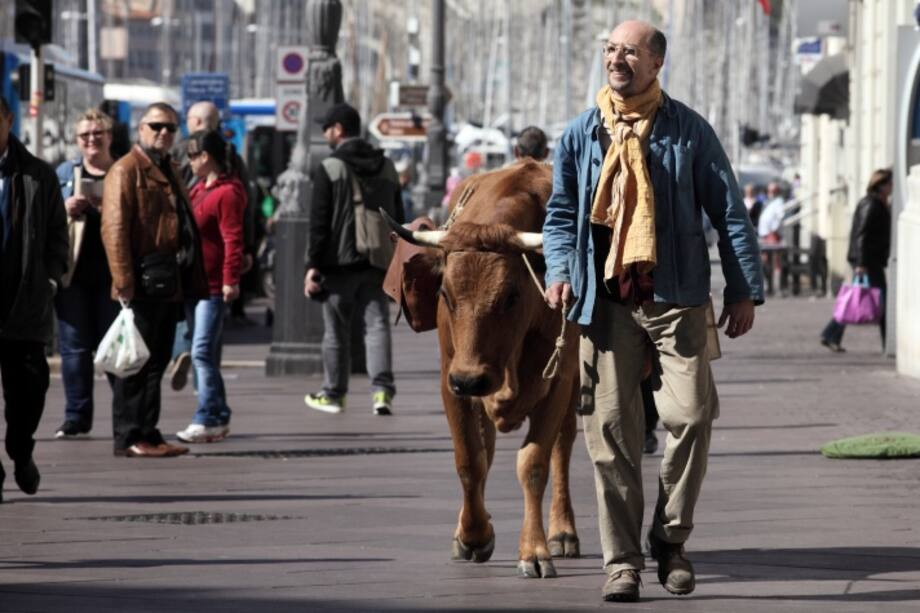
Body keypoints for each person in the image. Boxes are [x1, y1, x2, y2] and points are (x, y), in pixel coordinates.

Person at [542, 21, 763, 602]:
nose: (617, 60)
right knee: (610, 435)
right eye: (610, 50)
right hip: (607, 303)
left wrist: (744, 289)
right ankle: (622, 563)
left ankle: (670, 539)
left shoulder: (689, 131)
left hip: (678, 300)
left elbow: (730, 213)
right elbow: (562, 213)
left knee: (691, 417)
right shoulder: (582, 133)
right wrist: (560, 272)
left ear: (656, 63)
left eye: (629, 52)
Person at [101, 102, 207, 458]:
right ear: (141, 129)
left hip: (167, 278)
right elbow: (114, 230)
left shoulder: (169, 168)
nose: (164, 133)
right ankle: (130, 435)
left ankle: (148, 431)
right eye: (157, 126)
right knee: (135, 361)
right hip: (141, 280)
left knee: (157, 359)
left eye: (171, 128)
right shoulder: (126, 170)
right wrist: (124, 283)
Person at [303, 103, 403, 416]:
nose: (325, 133)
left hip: (338, 262)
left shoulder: (330, 167)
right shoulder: (386, 166)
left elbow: (319, 223)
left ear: (338, 129)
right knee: (377, 327)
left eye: (327, 127)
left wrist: (313, 266)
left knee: (336, 331)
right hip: (376, 261)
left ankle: (333, 394)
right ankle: (382, 393)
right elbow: (398, 217)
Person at [0, 95, 68, 501]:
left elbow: (58, 235)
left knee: (28, 392)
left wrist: (52, 281)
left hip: (24, 303)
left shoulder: (38, 176)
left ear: (7, 119)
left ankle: (20, 450)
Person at [53, 109, 120, 439]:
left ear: (109, 136)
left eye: (98, 133)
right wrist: (64, 208)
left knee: (115, 349)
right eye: (85, 136)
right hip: (73, 275)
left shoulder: (123, 171)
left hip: (114, 275)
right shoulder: (66, 173)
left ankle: (125, 416)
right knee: (74, 349)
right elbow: (44, 217)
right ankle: (76, 417)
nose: (91, 140)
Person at [175, 130, 245, 443]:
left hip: (213, 285)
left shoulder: (227, 192)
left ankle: (206, 416)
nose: (189, 161)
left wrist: (231, 280)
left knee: (201, 352)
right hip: (195, 282)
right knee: (205, 353)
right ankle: (218, 414)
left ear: (207, 157)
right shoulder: (197, 189)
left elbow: (233, 239)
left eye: (193, 155)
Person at [819, 169, 892, 353]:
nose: (892, 187)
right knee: (881, 299)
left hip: (870, 259)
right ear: (881, 185)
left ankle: (831, 334)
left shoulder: (877, 203)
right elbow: (862, 235)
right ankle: (888, 344)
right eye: (890, 183)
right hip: (868, 261)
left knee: (858, 298)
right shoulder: (871, 204)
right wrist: (861, 263)